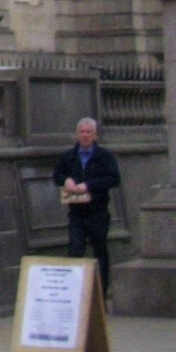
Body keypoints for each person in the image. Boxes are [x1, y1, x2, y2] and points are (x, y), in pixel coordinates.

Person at [54, 117, 123, 300]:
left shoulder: (104, 156)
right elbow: (58, 174)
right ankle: (75, 294)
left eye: (88, 132)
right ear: (77, 134)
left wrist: (90, 185)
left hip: (97, 211)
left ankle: (100, 293)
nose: (84, 135)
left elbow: (113, 178)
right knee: (75, 250)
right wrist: (66, 180)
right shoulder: (69, 156)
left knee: (99, 250)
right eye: (81, 132)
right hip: (76, 212)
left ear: (94, 135)